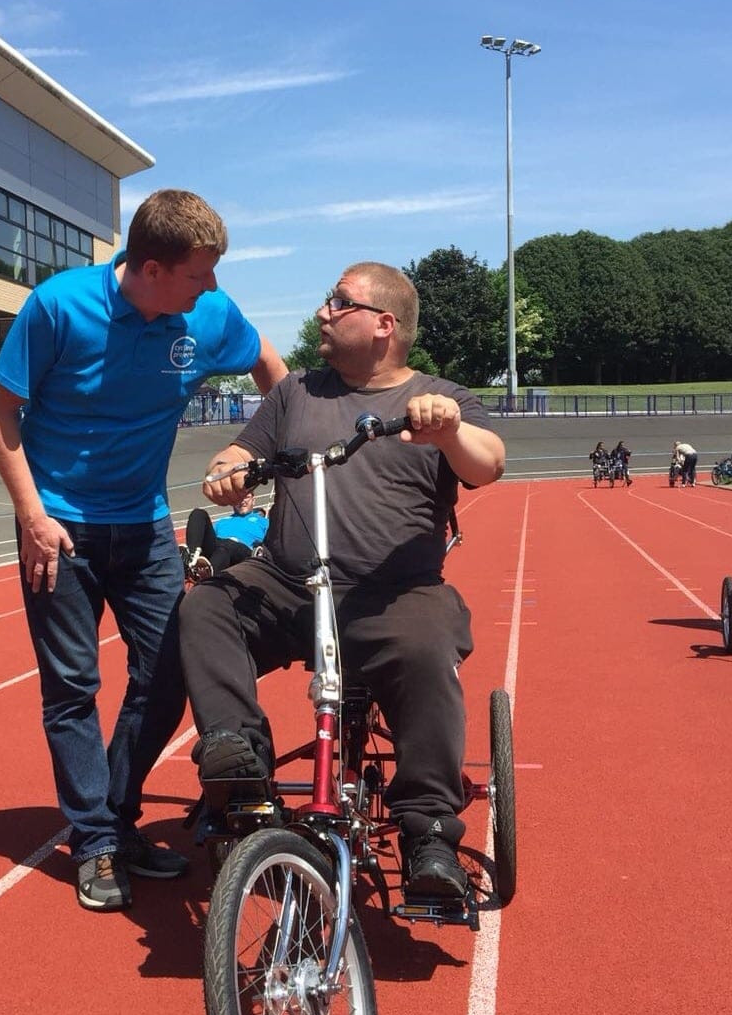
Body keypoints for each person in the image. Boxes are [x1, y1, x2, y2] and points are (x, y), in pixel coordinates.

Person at [0, 188, 288, 913]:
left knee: (171, 671)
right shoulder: (58, 307)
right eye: (198, 273)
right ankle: (93, 841)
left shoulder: (205, 315)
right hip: (61, 528)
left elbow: (272, 368)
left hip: (147, 526)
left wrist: (258, 447)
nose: (211, 287)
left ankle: (113, 818)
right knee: (72, 688)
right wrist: (30, 513)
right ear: (151, 268)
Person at [179, 262, 505, 899]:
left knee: (427, 646)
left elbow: (488, 464)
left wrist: (449, 430)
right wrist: (228, 469)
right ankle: (238, 765)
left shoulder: (441, 397)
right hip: (287, 583)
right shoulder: (296, 391)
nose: (323, 312)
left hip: (394, 593)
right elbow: (241, 451)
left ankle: (429, 832)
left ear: (384, 324)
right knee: (207, 608)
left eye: (339, 302)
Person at [180, 489, 268, 580]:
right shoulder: (222, 521)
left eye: (246, 497)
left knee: (227, 545)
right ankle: (190, 558)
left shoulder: (264, 522)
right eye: (238, 498)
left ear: (253, 500)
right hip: (220, 547)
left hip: (244, 551)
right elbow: (211, 541)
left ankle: (208, 576)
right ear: (232, 502)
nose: (242, 501)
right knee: (198, 513)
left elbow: (272, 544)